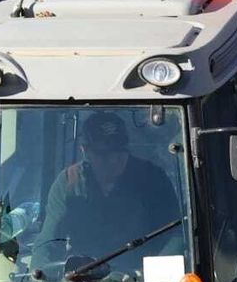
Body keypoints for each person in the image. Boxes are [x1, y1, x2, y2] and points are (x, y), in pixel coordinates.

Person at [34, 112, 185, 271]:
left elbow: (175, 234)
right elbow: (48, 241)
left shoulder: (152, 179)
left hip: (141, 278)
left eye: (119, 152)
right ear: (85, 150)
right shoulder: (69, 182)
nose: (113, 160)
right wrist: (40, 277)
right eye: (103, 154)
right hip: (83, 276)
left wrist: (156, 276)